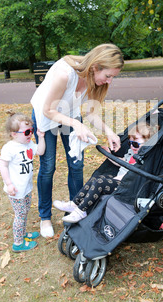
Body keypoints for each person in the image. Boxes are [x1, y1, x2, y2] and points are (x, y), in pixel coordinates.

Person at [31, 44, 124, 239]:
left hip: (70, 115)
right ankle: (45, 217)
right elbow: (49, 110)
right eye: (108, 76)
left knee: (76, 164)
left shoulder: (94, 80)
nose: (110, 81)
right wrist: (75, 124)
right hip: (46, 116)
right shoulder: (65, 74)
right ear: (95, 66)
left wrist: (109, 132)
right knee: (48, 167)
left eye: (113, 77)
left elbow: (91, 114)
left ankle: (77, 210)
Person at [54, 123, 156, 223]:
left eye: (135, 144)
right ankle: (75, 203)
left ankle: (81, 211)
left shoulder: (145, 160)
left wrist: (121, 178)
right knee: (96, 178)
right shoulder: (132, 152)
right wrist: (109, 155)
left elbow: (137, 175)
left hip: (128, 186)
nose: (132, 147)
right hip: (119, 180)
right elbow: (121, 162)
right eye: (130, 143)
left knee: (100, 182)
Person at [0, 111, 46, 252]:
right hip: (15, 189)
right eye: (27, 132)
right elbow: (3, 165)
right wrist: (9, 184)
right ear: (14, 134)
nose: (30, 134)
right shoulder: (9, 148)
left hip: (26, 187)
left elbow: (40, 151)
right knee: (20, 215)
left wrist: (41, 137)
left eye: (31, 131)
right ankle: (18, 243)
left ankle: (23, 233)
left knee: (25, 211)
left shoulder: (28, 143)